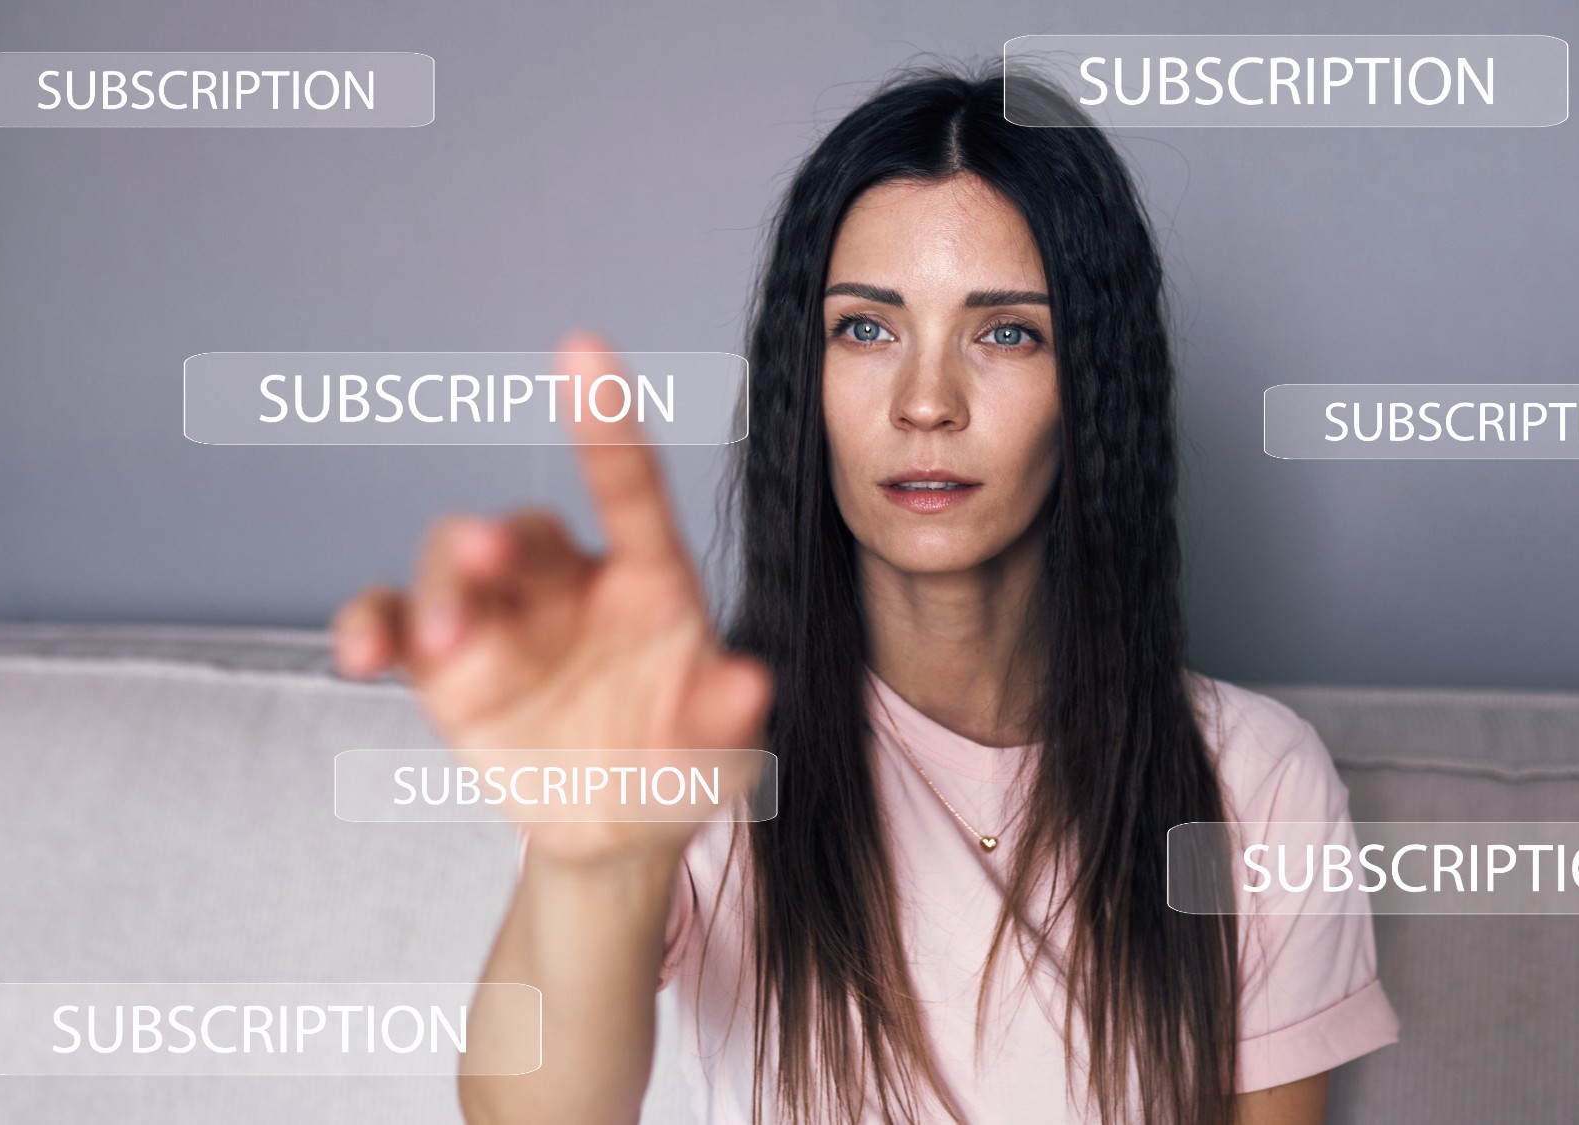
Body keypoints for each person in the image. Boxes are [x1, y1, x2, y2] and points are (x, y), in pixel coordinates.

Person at [330, 64, 1398, 1125]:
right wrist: (588, 865)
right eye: (867, 328)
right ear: (805, 381)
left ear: (1094, 391)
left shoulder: (1253, 783)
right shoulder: (691, 757)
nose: (925, 401)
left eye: (1006, 332)